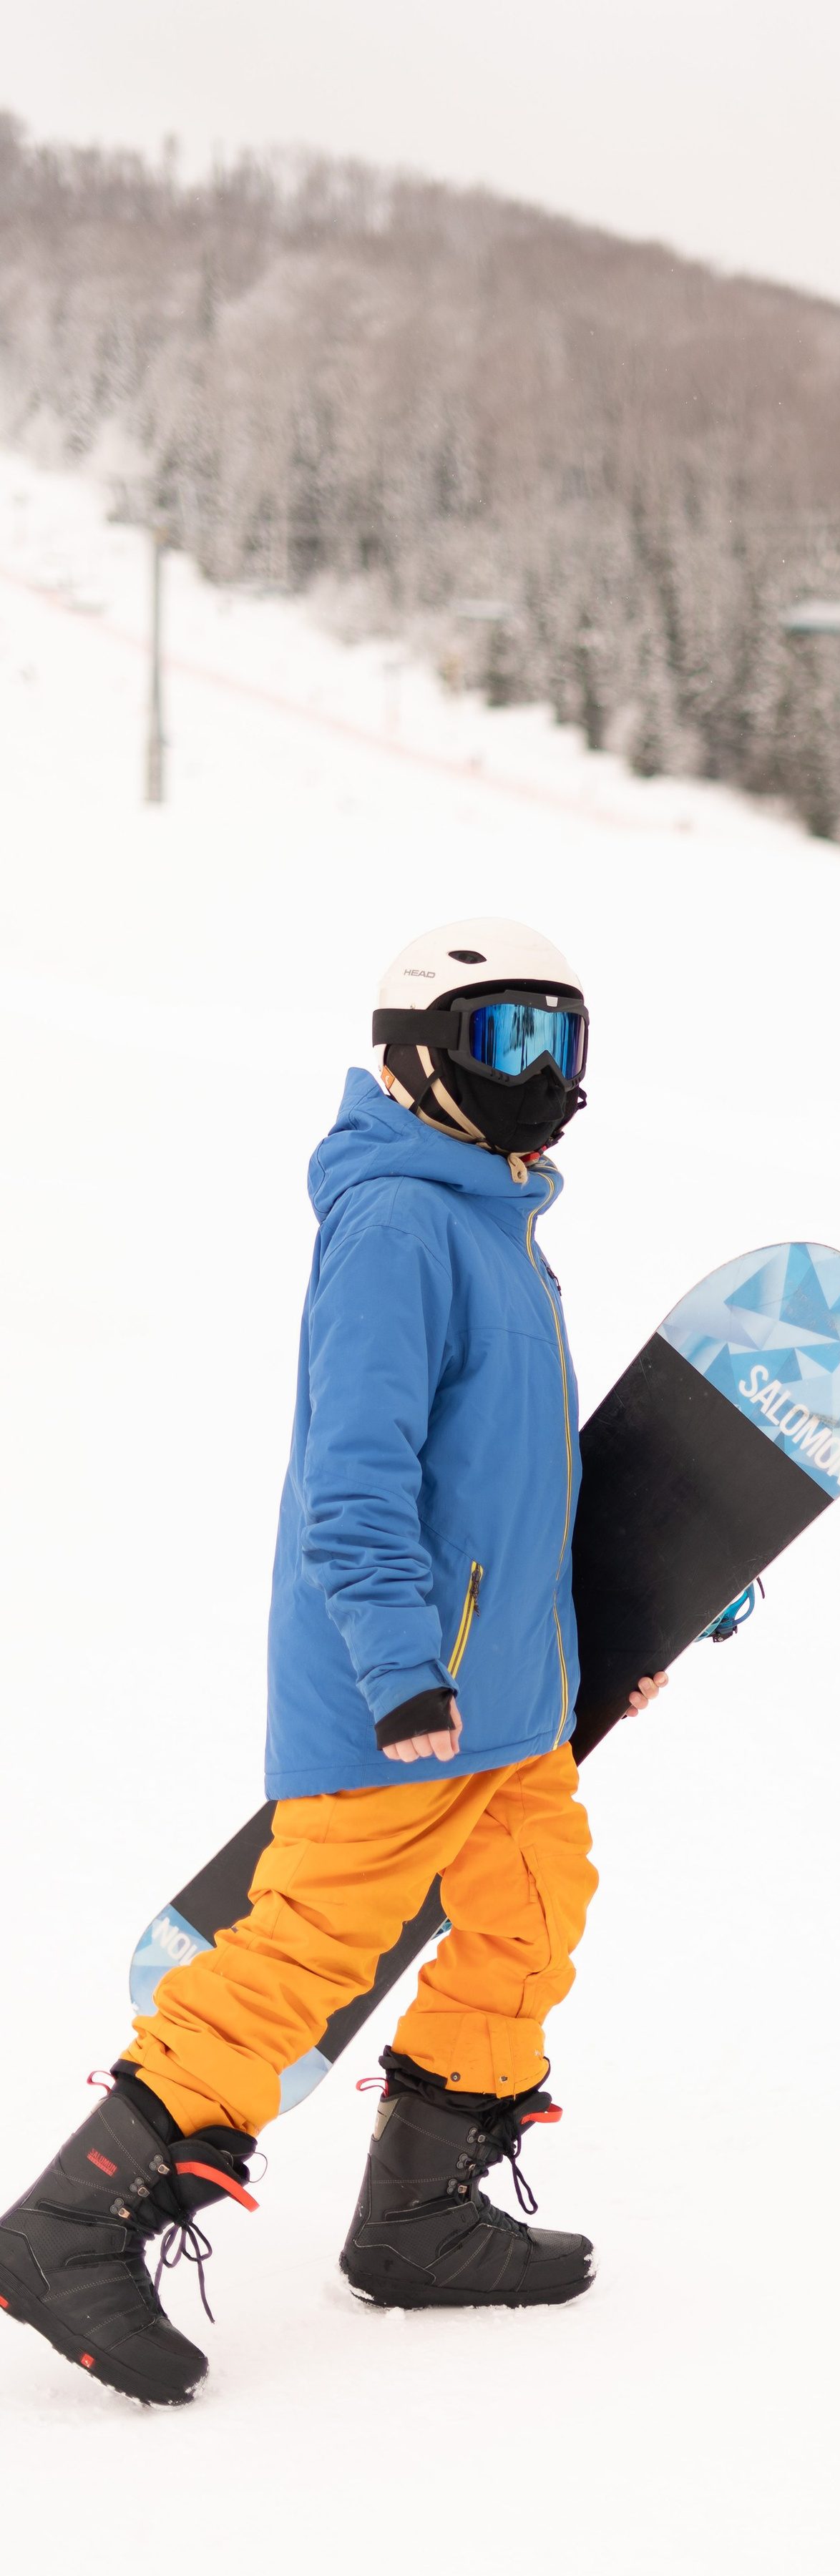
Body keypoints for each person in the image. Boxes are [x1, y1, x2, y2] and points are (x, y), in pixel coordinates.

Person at [0, 919, 663, 2405]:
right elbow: (352, 1477)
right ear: (418, 1054)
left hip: (504, 1696)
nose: (542, 1076)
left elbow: (504, 1480)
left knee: (530, 1910)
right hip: (407, 1693)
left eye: (564, 1043)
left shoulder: (492, 1223)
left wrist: (619, 1612)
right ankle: (69, 2223)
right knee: (304, 1953)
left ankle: (419, 2215)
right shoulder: (395, 1223)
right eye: (508, 1042)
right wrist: (397, 1669)